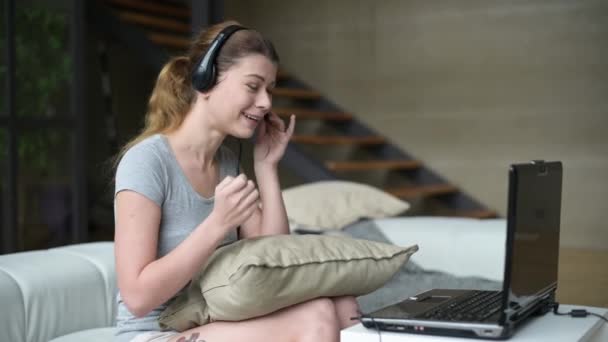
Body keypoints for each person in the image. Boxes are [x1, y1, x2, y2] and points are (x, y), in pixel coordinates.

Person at [113, 20, 360, 342]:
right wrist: (217, 224)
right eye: (253, 86)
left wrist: (267, 167)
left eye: (269, 90)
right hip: (155, 333)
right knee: (315, 318)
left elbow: (275, 263)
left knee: (342, 304)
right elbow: (138, 298)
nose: (266, 103)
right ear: (207, 79)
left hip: (208, 319)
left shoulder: (227, 163)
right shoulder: (147, 162)